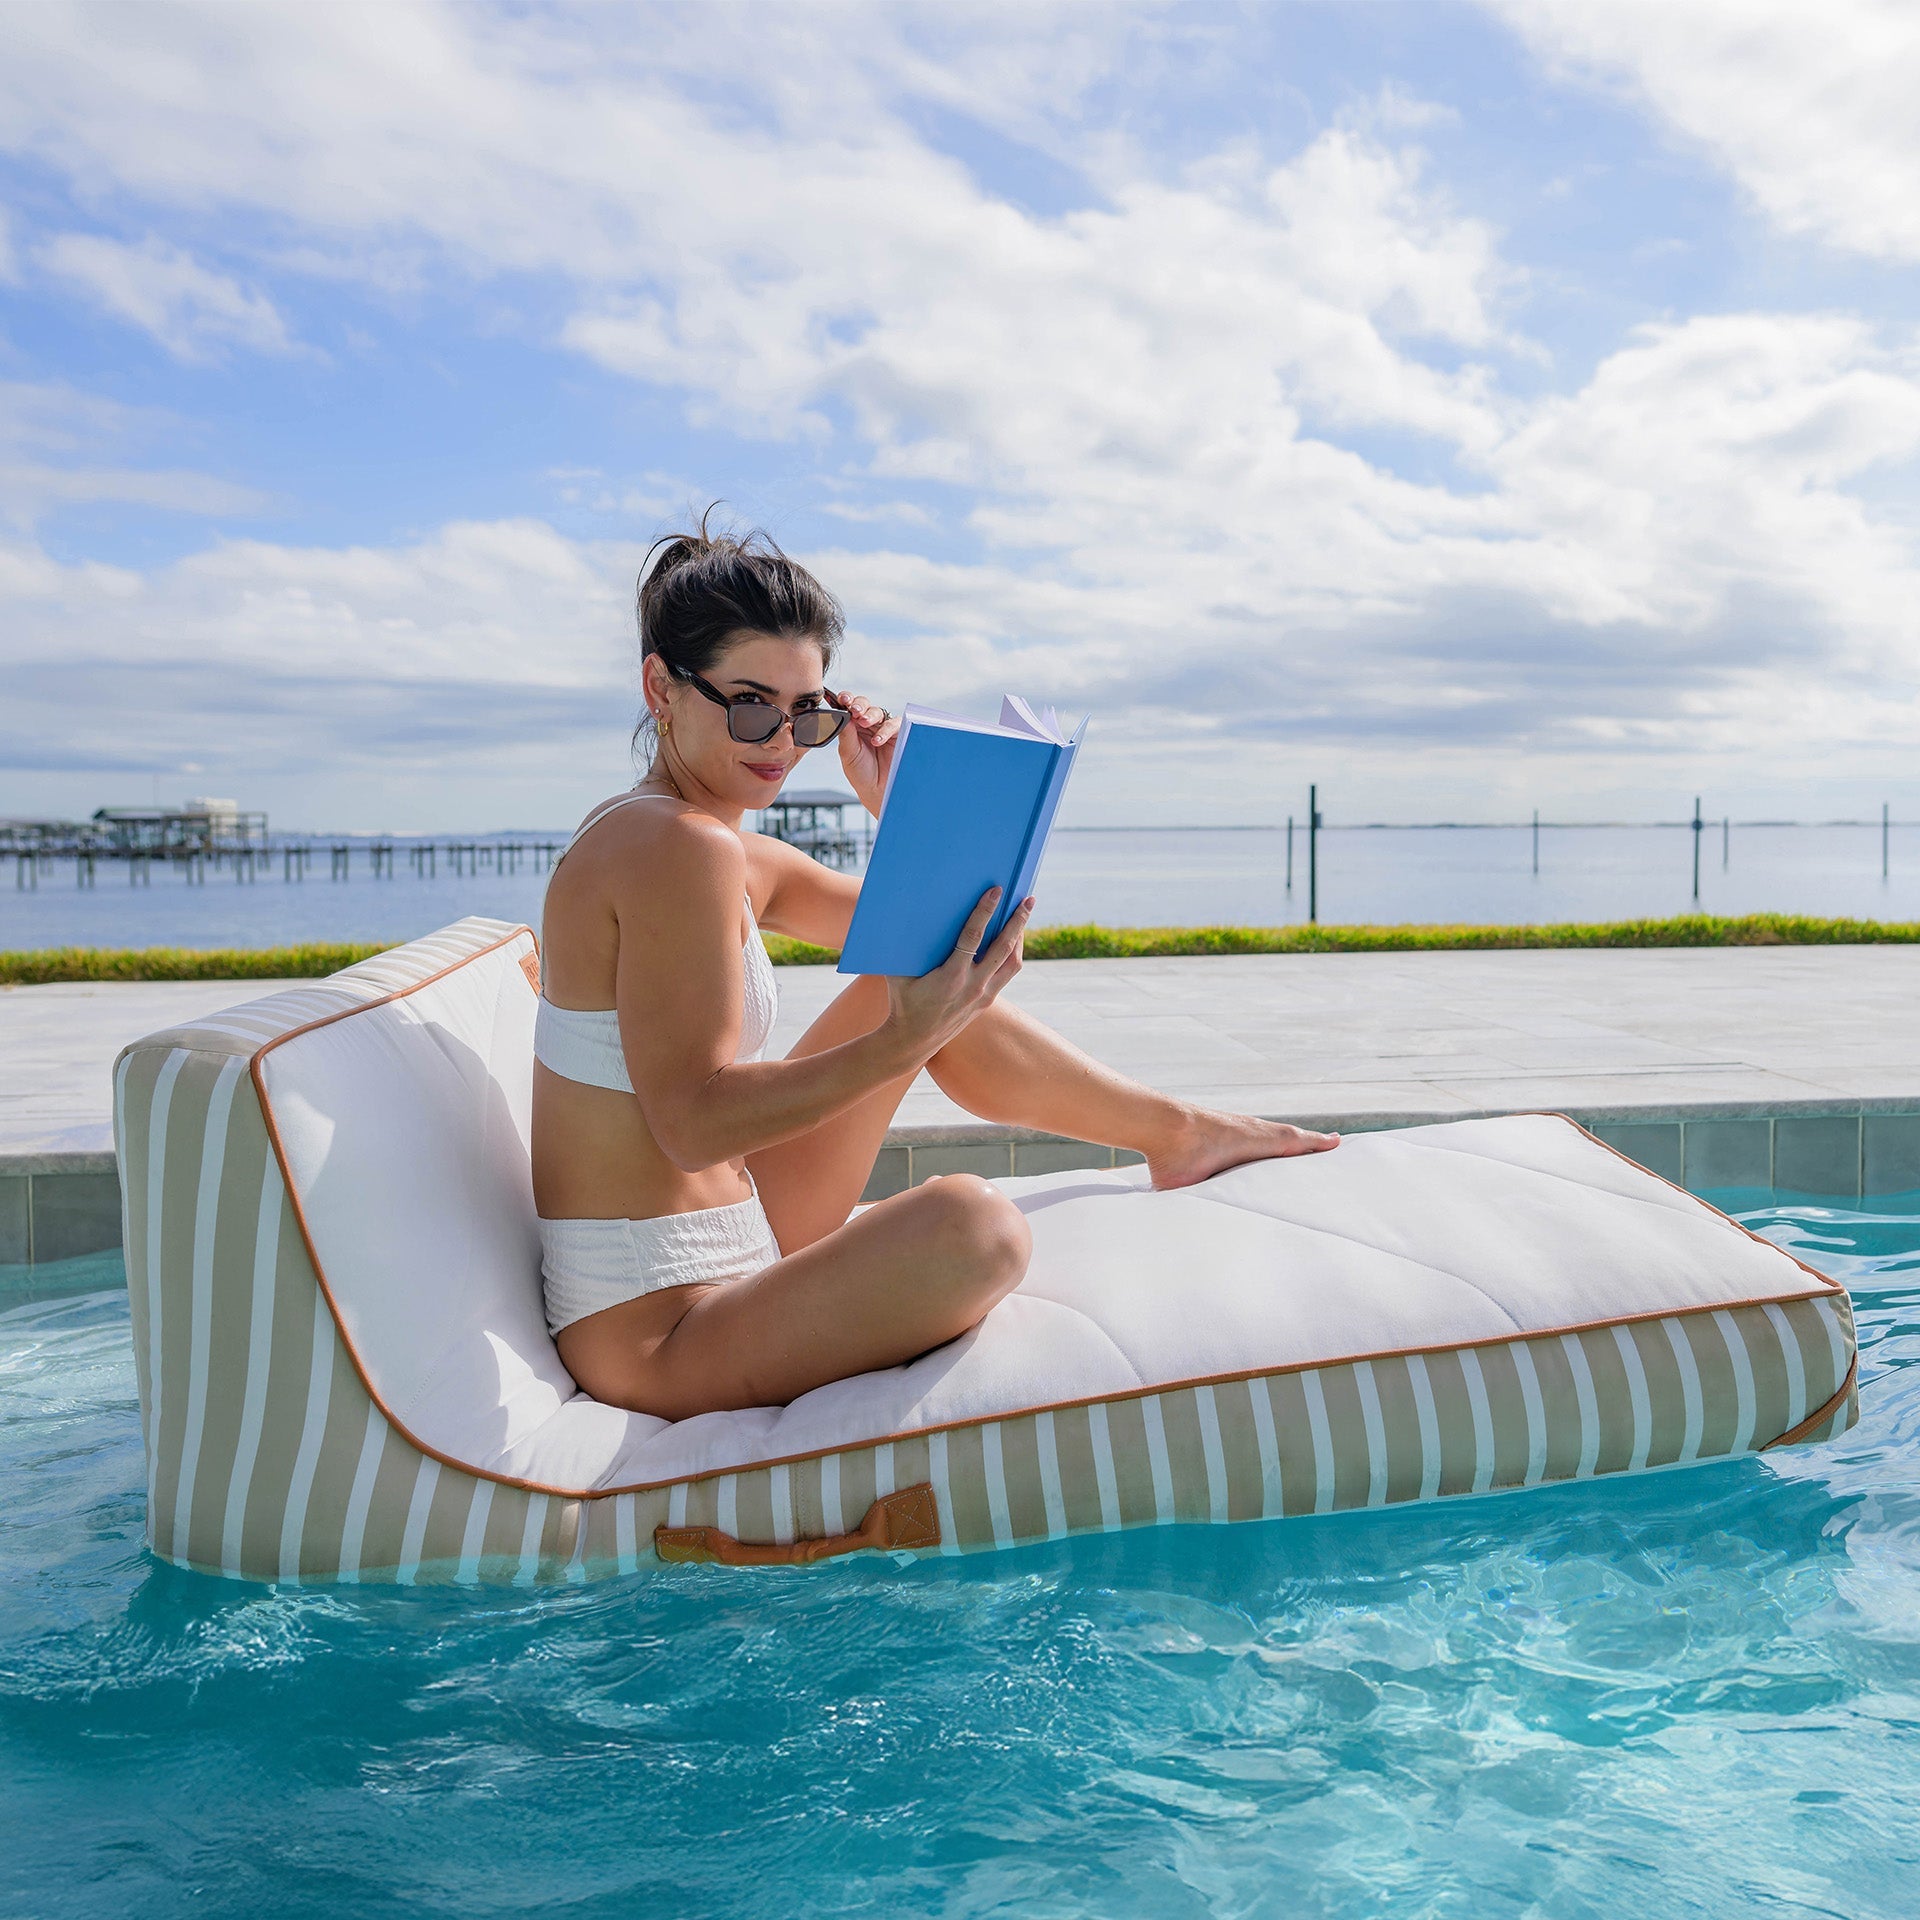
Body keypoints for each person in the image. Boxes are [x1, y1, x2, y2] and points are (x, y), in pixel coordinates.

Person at [532, 517, 1339, 1420]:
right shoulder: (675, 848)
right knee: (975, 1230)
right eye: (753, 705)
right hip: (659, 1324)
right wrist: (898, 1044)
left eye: (809, 712)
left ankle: (1178, 1132)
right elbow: (690, 1125)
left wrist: (897, 810)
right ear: (660, 687)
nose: (782, 743)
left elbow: (942, 934)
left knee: (911, 973)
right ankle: (1179, 1133)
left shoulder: (705, 841)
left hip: (736, 1229)